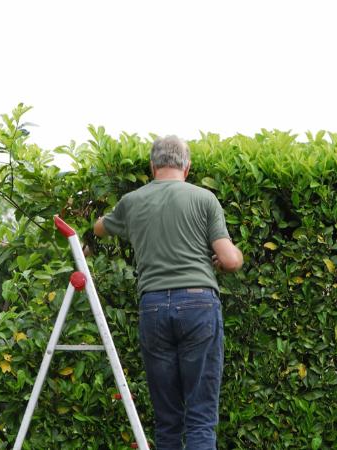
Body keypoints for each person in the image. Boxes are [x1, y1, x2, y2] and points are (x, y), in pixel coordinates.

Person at [93, 135, 243, 450]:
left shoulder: (132, 201)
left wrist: (105, 222)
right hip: (199, 304)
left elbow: (99, 228)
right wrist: (225, 259)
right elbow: (230, 260)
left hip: (153, 307)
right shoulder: (204, 199)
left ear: (152, 166)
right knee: (200, 417)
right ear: (186, 167)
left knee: (168, 421)